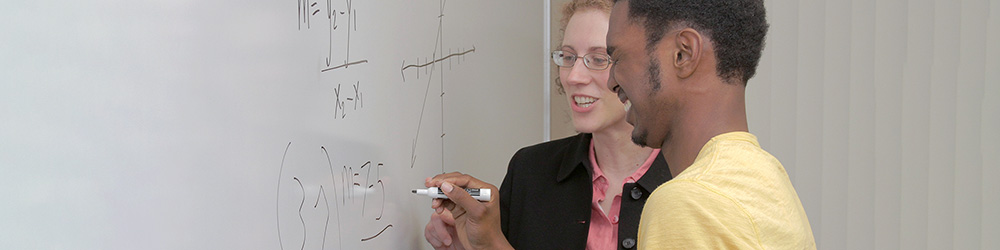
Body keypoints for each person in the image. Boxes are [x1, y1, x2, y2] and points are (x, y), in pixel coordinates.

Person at [422, 0, 672, 249]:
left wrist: (492, 245)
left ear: (648, 67)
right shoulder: (529, 172)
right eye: (568, 56)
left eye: (598, 59)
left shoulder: (692, 183)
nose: (573, 76)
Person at [603, 0, 816, 249]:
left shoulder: (687, 202)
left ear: (683, 53)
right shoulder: (771, 181)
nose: (610, 82)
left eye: (617, 58)